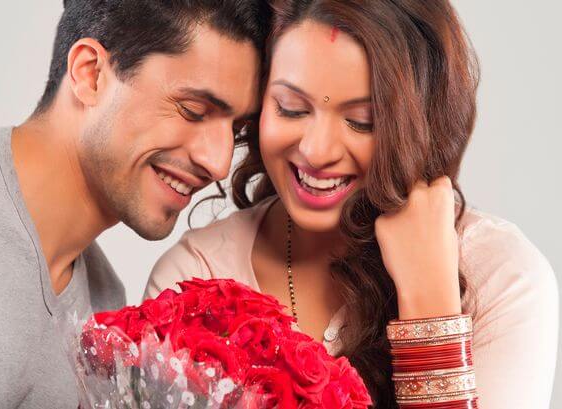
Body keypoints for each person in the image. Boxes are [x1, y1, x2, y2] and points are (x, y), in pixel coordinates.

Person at [145, 1, 559, 408]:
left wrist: (428, 303)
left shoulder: (503, 277)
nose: (316, 150)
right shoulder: (196, 276)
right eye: (291, 108)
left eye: (362, 121)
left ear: (423, 125)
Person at [0, 0, 270, 407]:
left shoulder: (105, 306)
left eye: (236, 129)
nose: (219, 163)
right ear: (91, 74)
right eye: (193, 110)